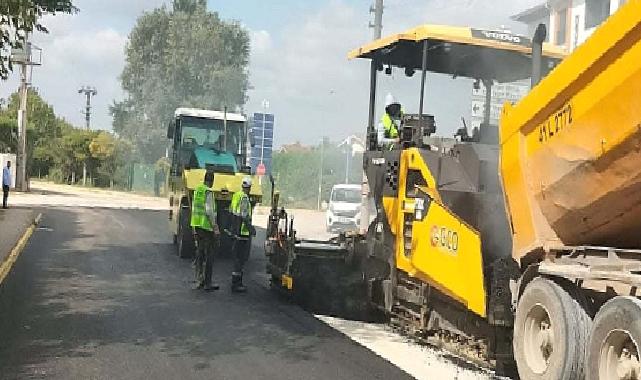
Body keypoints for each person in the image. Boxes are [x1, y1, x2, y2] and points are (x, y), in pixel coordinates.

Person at [190, 170, 219, 291]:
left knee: (199, 254)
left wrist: (193, 228)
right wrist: (215, 227)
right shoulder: (208, 191)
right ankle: (208, 283)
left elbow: (194, 207)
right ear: (211, 181)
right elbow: (209, 210)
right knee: (209, 255)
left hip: (197, 226)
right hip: (207, 228)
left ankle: (199, 280)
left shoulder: (198, 190)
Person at [229, 176, 255, 293]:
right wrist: (251, 229)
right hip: (242, 233)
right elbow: (244, 216)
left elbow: (232, 212)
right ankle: (237, 284)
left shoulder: (236, 195)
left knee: (236, 258)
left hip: (235, 231)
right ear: (249, 187)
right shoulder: (244, 198)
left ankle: (236, 282)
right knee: (240, 259)